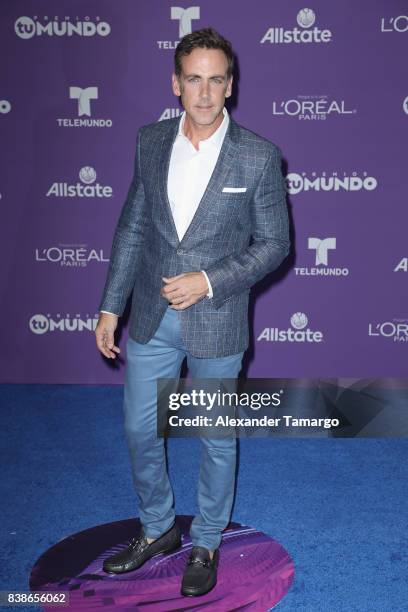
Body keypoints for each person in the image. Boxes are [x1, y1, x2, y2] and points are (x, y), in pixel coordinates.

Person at [95, 27, 290, 597]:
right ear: (176, 83)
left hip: (218, 318)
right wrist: (111, 306)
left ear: (230, 86)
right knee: (138, 429)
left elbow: (275, 244)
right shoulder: (150, 141)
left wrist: (208, 280)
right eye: (194, 80)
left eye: (216, 80)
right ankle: (156, 528)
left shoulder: (257, 156)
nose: (205, 93)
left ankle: (205, 539)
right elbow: (133, 227)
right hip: (152, 317)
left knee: (214, 437)